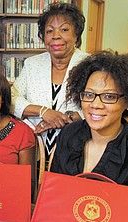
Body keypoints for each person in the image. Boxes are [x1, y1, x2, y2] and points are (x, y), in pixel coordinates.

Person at [51, 51, 128, 188]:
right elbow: (54, 190)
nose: (95, 104)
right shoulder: (69, 133)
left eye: (109, 97)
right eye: (89, 94)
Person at [11, 2, 89, 159]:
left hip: (76, 151)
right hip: (34, 148)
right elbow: (11, 98)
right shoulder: (32, 64)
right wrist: (43, 112)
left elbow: (100, 107)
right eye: (49, 31)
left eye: (64, 29)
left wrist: (64, 118)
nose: (56, 36)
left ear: (76, 34)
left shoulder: (90, 65)